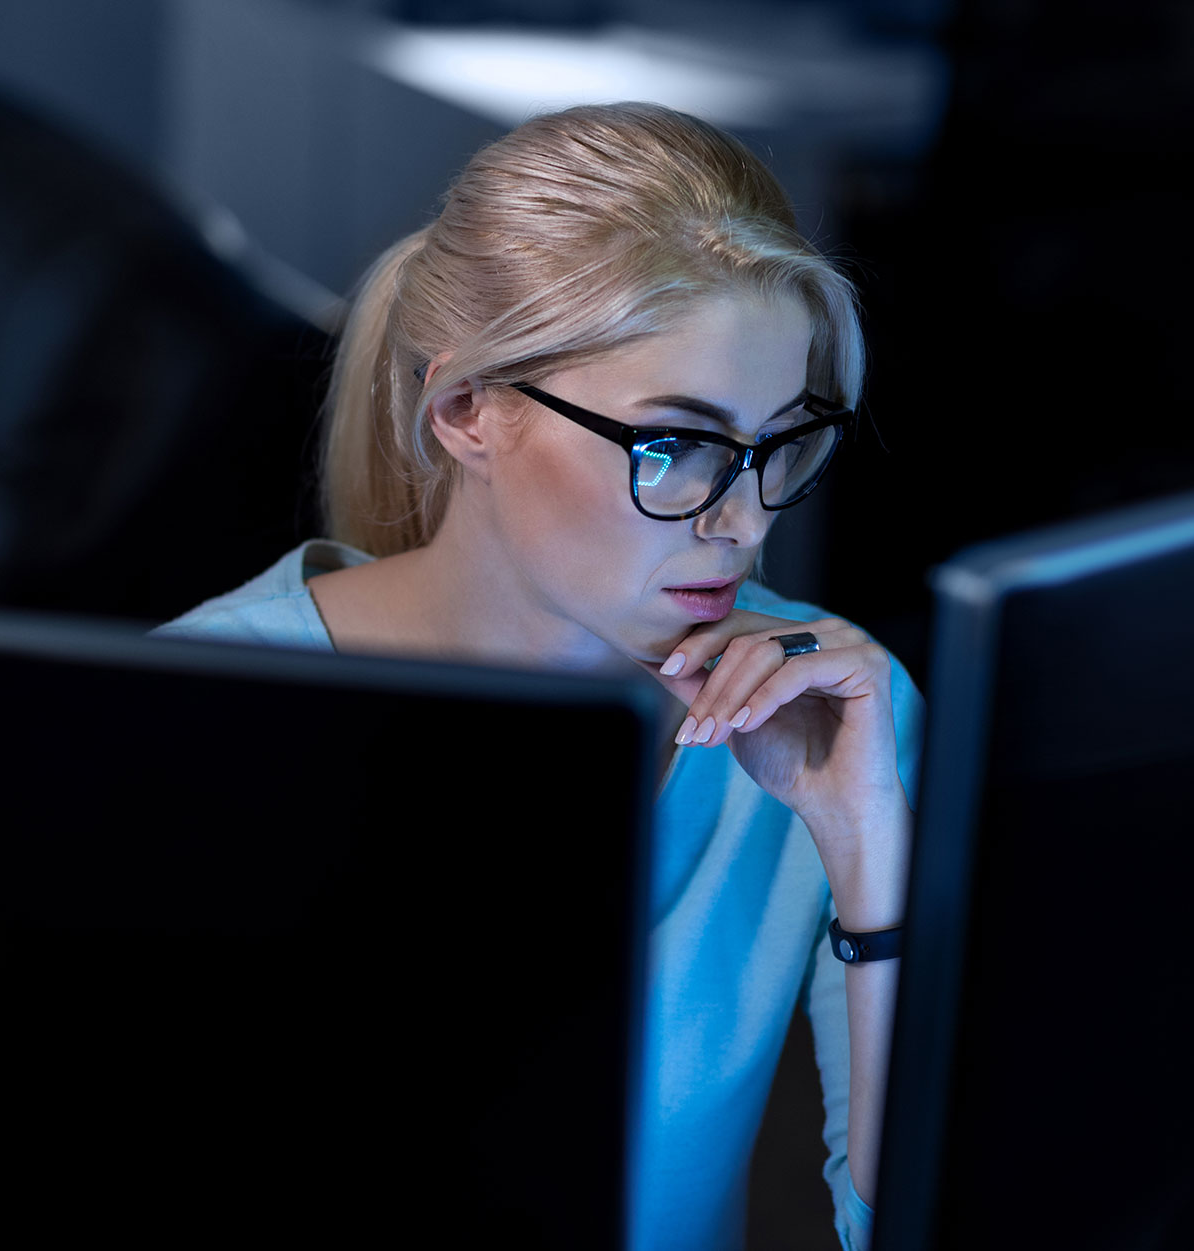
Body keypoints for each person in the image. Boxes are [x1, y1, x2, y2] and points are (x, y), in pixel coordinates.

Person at [151, 101, 923, 1251]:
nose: (745, 525)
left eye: (776, 449)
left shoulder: (830, 717)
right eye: (677, 446)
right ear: (465, 408)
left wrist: (869, 849)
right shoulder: (201, 713)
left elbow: (912, 1224)